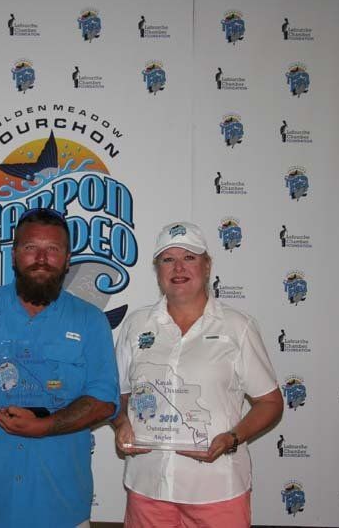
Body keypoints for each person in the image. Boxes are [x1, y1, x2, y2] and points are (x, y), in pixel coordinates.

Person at [0, 208, 119, 528]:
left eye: (53, 249)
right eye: (31, 248)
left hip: (62, 506)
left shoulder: (91, 321)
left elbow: (104, 400)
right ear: (15, 254)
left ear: (67, 259)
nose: (42, 258)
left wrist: (46, 426)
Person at [112, 222, 283, 528]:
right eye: (168, 259)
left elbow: (270, 402)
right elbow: (116, 393)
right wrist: (121, 422)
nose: (178, 268)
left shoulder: (237, 327)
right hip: (148, 485)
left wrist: (232, 438)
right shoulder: (136, 325)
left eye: (189, 257)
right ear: (157, 269)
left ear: (207, 266)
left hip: (217, 489)